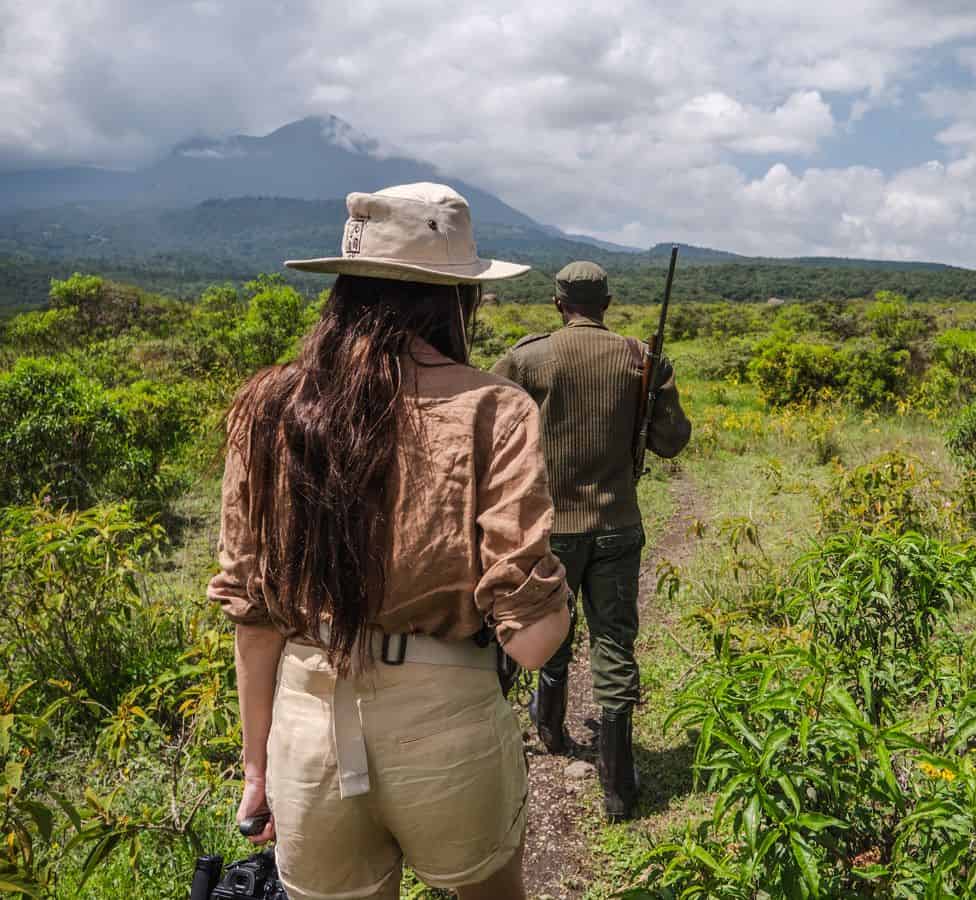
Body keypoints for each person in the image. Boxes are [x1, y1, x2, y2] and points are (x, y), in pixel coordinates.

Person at [208, 183, 571, 900]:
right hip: (446, 728)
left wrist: (258, 769)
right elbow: (531, 643)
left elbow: (252, 622)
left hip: (304, 727)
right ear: (456, 299)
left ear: (341, 287)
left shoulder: (268, 406)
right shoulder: (492, 407)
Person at [491, 261, 691, 821]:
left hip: (548, 527)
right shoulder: (640, 359)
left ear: (558, 304)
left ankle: (548, 729)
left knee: (546, 626)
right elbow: (673, 443)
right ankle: (620, 789)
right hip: (617, 526)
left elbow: (489, 428)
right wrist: (646, 406)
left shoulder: (527, 357)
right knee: (613, 642)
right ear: (607, 303)